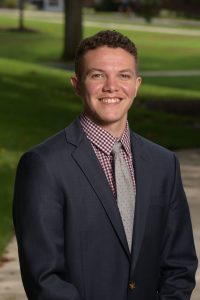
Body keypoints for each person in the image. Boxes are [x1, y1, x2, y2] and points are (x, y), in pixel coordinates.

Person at [13, 30, 197, 300]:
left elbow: (179, 265)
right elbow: (45, 278)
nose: (112, 86)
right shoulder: (44, 165)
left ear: (136, 84)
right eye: (97, 75)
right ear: (77, 84)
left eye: (123, 75)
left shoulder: (163, 163)